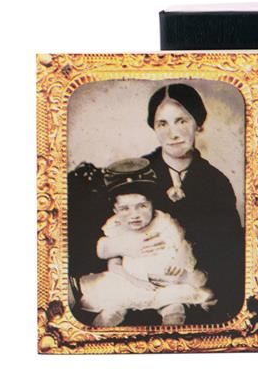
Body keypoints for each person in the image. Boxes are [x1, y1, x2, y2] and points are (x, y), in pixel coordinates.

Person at [139, 83, 244, 322]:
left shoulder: (216, 182)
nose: (173, 134)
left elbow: (229, 249)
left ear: (199, 124)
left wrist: (198, 275)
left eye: (181, 121)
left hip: (196, 287)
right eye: (162, 124)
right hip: (142, 286)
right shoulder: (137, 174)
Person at [79, 162, 214, 326]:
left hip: (166, 282)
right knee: (113, 306)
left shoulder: (164, 222)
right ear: (115, 211)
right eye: (125, 209)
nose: (134, 215)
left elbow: (183, 244)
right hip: (130, 281)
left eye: (142, 206)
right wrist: (134, 281)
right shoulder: (116, 227)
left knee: (174, 305)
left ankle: (170, 337)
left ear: (152, 205)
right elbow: (114, 263)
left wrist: (180, 262)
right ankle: (97, 336)